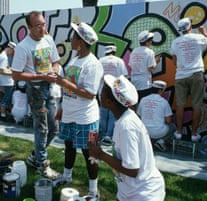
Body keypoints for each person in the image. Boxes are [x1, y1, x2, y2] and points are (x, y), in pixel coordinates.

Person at [88, 74, 165, 201]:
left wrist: (100, 154)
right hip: (129, 191)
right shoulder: (124, 118)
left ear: (109, 102)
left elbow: (132, 170)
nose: (99, 93)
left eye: (102, 90)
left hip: (144, 193)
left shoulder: (126, 126)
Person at [54, 22, 103, 200]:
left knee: (90, 152)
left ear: (80, 42)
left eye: (73, 37)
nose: (70, 39)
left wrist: (66, 83)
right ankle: (67, 177)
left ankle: (93, 190)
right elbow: (69, 90)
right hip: (69, 113)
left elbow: (90, 94)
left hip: (86, 117)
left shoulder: (93, 64)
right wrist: (61, 108)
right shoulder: (75, 59)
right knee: (68, 146)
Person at [11, 11, 60, 179]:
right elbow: (16, 75)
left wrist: (54, 70)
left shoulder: (49, 39)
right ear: (30, 27)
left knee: (54, 128)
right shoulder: (23, 46)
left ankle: (35, 155)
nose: (42, 28)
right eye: (38, 25)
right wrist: (41, 76)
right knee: (42, 128)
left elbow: (55, 61)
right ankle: (42, 164)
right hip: (36, 90)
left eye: (44, 24)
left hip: (50, 87)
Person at [170, 17, 207, 142]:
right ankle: (194, 134)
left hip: (180, 75)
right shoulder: (198, 37)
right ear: (190, 26)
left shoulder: (175, 42)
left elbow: (174, 61)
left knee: (180, 105)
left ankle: (179, 132)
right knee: (197, 105)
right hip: (196, 74)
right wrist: (204, 33)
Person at [99, 43, 128, 146]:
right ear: (114, 52)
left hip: (102, 89)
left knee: (103, 114)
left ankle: (102, 135)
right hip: (115, 90)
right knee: (112, 114)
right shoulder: (119, 61)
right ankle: (109, 136)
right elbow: (124, 76)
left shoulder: (100, 61)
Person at [137, 80, 176, 151]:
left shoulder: (143, 100)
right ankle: (161, 142)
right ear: (160, 90)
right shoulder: (164, 102)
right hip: (158, 133)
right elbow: (168, 120)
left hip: (144, 131)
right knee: (173, 127)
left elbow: (138, 117)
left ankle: (146, 141)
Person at [128, 30, 160, 103]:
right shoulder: (149, 52)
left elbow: (130, 66)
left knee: (135, 104)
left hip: (134, 82)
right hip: (144, 83)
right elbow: (150, 68)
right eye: (150, 40)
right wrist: (156, 61)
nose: (151, 42)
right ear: (147, 41)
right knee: (144, 104)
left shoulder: (134, 51)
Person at [0, 41, 16, 120]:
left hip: (6, 81)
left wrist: (9, 69)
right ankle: (3, 115)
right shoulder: (4, 57)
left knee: (7, 98)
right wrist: (12, 73)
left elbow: (4, 69)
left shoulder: (3, 56)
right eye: (13, 50)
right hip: (7, 82)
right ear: (10, 48)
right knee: (6, 98)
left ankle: (4, 114)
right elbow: (1, 71)